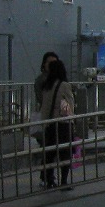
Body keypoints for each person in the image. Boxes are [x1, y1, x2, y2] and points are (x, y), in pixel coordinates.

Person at [39, 57, 74, 189]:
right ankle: (64, 181)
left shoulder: (46, 86)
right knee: (65, 153)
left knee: (50, 153)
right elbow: (70, 105)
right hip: (63, 124)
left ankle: (49, 181)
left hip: (49, 124)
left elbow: (44, 107)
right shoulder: (64, 85)